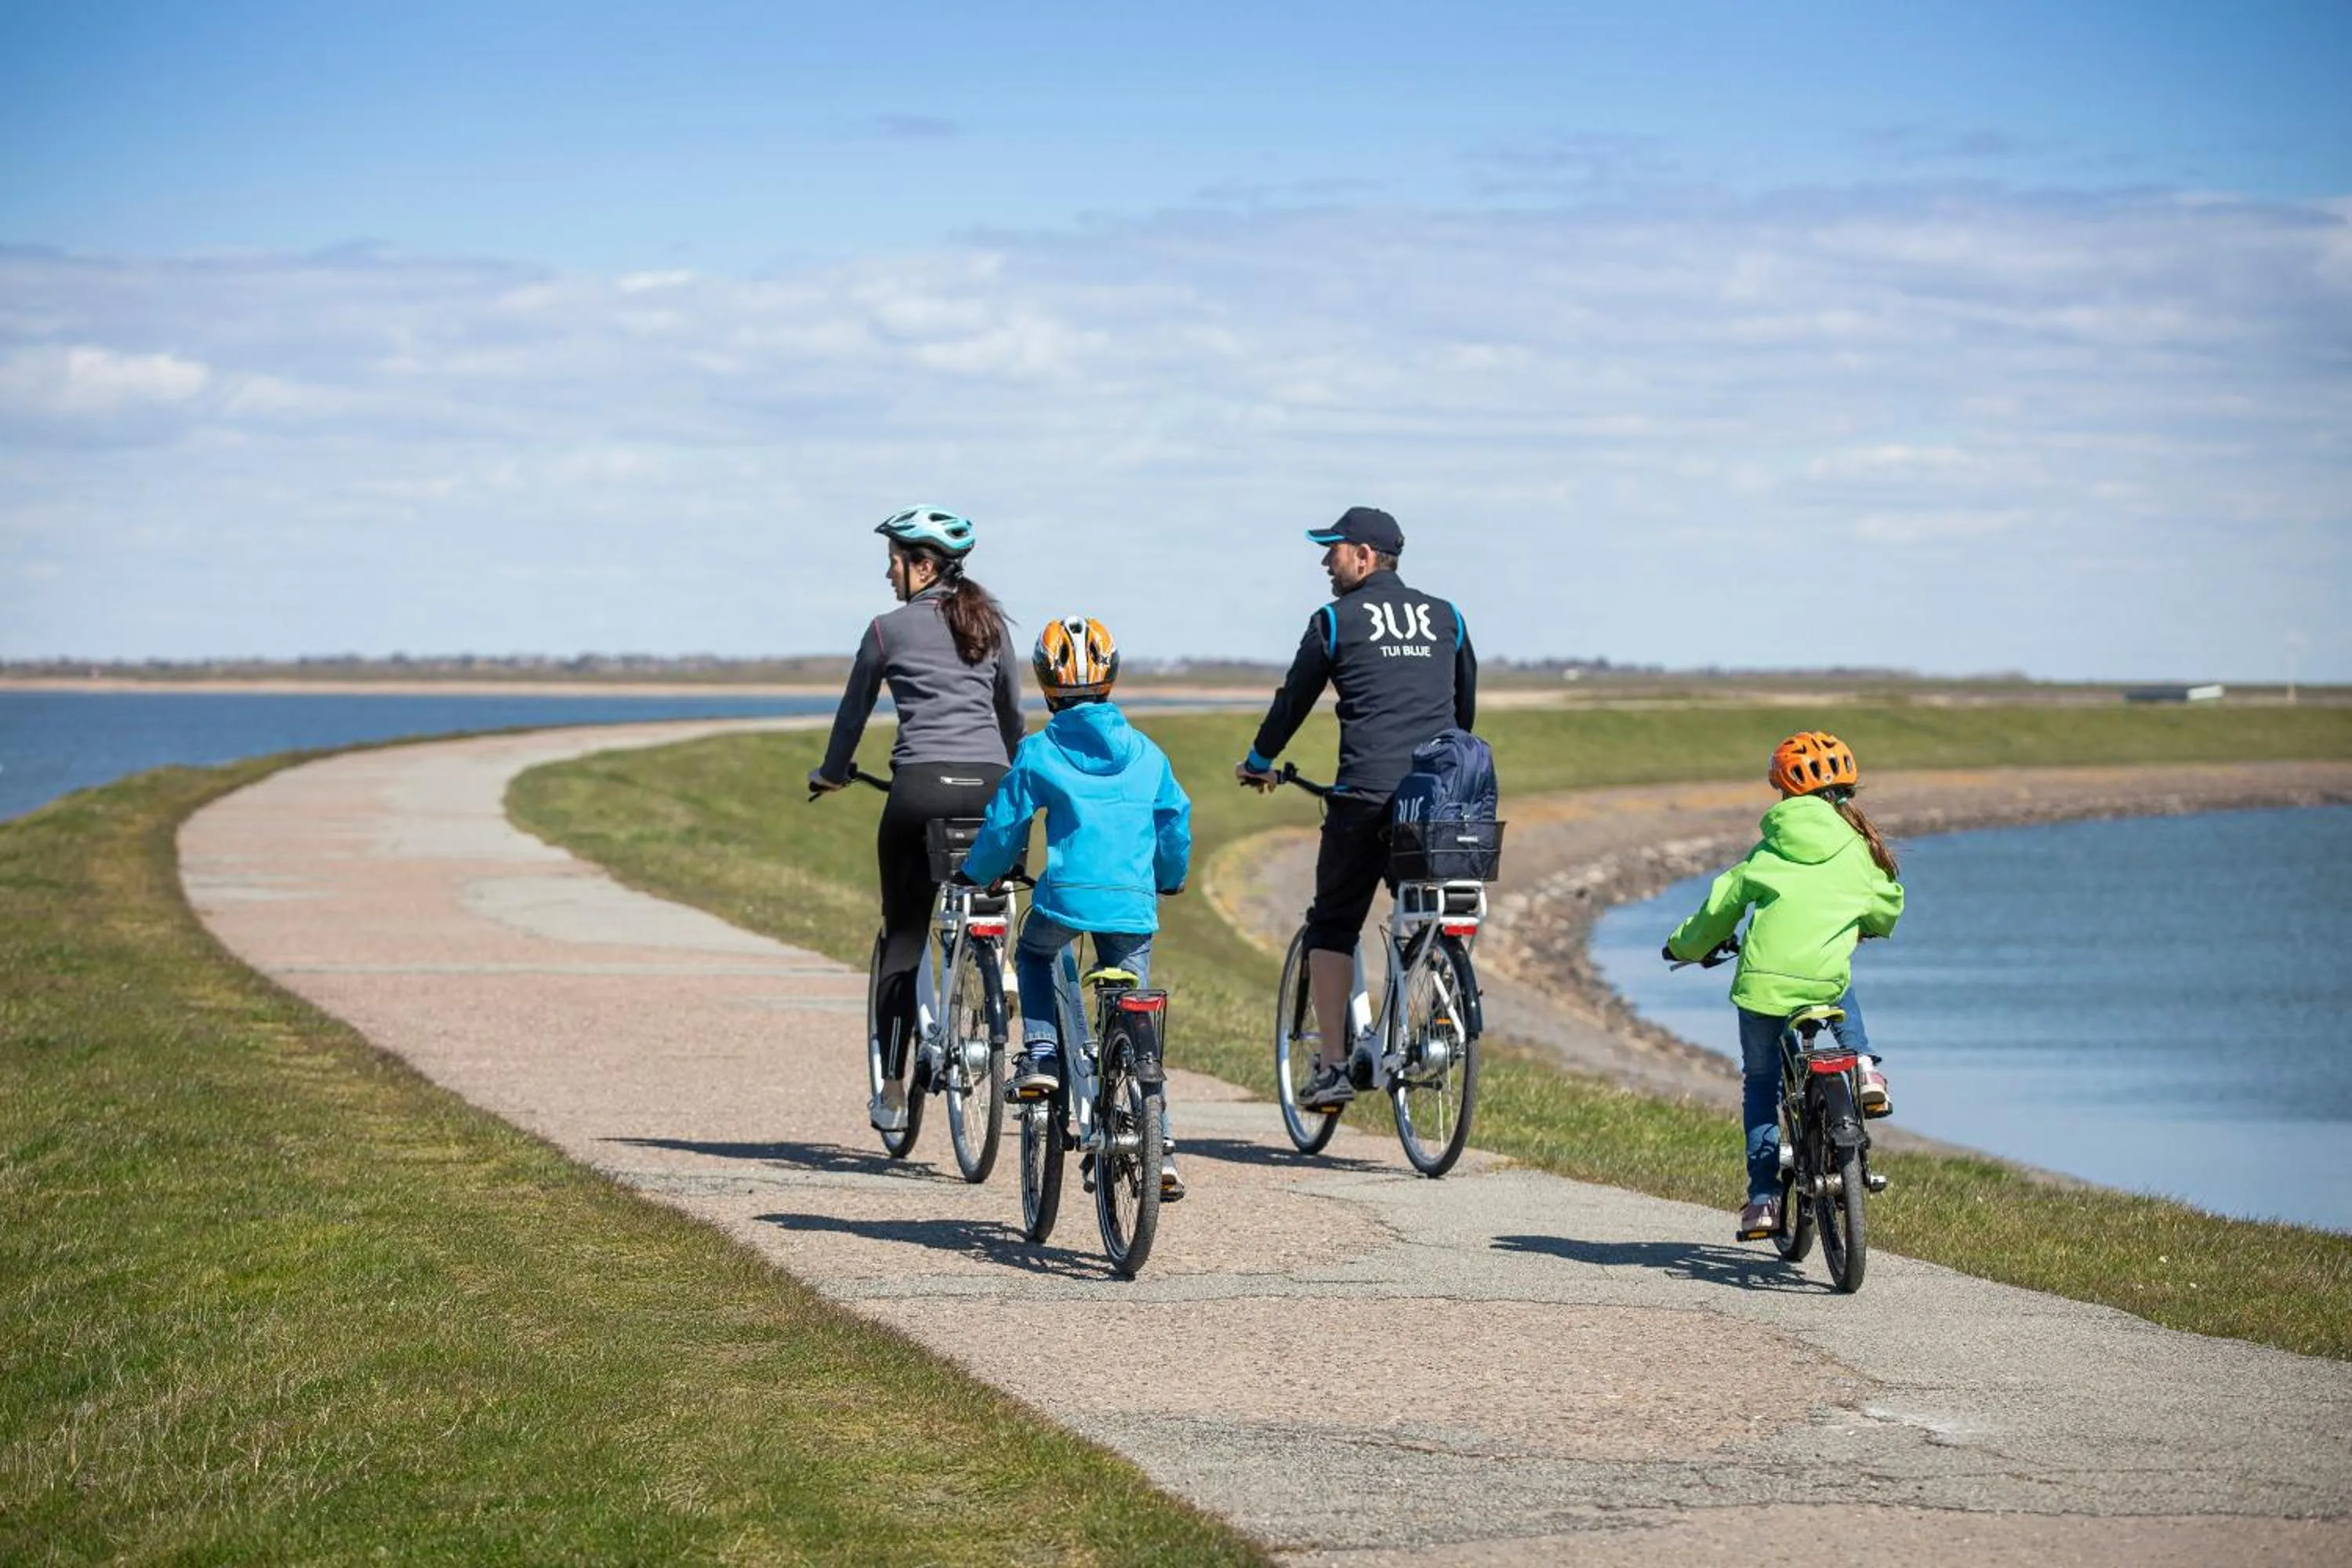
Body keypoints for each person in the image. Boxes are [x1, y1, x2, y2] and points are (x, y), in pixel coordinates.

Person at [1234, 506, 1478, 1110]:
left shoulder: (1336, 621)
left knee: (1334, 924)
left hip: (1366, 798)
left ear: (1364, 557)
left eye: (1334, 550)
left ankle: (1336, 1066)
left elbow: (1293, 701)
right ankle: (1438, 1010)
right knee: (1431, 911)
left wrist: (1260, 761)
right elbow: (1463, 706)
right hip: (1439, 795)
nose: (1325, 561)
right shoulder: (1449, 617)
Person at [960, 615, 1194, 1200]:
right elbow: (1174, 824)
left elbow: (1005, 824)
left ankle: (1041, 1051)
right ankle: (1157, 1143)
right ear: (1112, 681)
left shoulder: (1039, 751)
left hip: (1065, 900)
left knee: (1036, 955)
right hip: (1133, 907)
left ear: (1045, 683)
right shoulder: (1147, 753)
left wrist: (979, 873)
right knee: (1135, 1010)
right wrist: (1169, 878)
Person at [809, 506, 1025, 1134]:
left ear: (923, 566)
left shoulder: (886, 630)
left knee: (903, 936)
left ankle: (896, 1091)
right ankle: (996, 960)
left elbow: (852, 717)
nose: (887, 574)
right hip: (988, 786)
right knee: (985, 891)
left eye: (894, 562)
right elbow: (1011, 714)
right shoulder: (991, 625)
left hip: (920, 789)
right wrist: (1009, 775)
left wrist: (831, 772)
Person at [1661, 731, 1904, 1240]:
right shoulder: (1856, 849)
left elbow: (1719, 910)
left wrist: (1683, 948)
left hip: (1763, 987)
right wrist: (1870, 925)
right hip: (1824, 981)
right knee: (1836, 977)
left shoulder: (1768, 850)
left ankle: (1766, 1199)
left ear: (1784, 794)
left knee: (1763, 1085)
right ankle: (1862, 1067)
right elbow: (1886, 903)